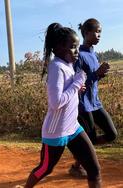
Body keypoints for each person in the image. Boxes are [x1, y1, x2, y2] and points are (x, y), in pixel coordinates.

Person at [24, 23, 101, 188]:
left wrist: (77, 86)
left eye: (77, 47)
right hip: (56, 131)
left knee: (94, 169)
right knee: (45, 168)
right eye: (73, 47)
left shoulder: (68, 65)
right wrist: (76, 84)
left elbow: (68, 91)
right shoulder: (56, 67)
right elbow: (55, 102)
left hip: (73, 127)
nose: (77, 52)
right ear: (58, 48)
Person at [69, 18, 118, 177]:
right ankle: (78, 164)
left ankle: (80, 157)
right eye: (96, 32)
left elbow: (93, 79)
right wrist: (96, 73)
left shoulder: (93, 54)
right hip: (83, 105)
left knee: (112, 134)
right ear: (86, 33)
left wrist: (100, 74)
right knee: (89, 139)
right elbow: (77, 83)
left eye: (100, 32)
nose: (99, 35)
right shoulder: (80, 55)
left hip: (95, 103)